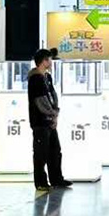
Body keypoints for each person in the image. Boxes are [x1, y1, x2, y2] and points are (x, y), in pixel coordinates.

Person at [26, 50, 71, 192]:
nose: (51, 62)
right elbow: (41, 102)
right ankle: (41, 182)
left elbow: (53, 95)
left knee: (55, 150)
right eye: (49, 59)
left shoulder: (47, 77)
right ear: (43, 61)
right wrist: (52, 114)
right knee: (41, 153)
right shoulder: (35, 79)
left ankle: (56, 179)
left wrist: (55, 112)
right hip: (40, 122)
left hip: (50, 121)